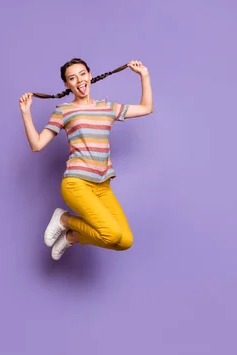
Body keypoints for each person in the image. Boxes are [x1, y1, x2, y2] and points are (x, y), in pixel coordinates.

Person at [19, 58, 153, 260]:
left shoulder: (107, 107)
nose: (79, 80)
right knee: (112, 234)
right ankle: (64, 219)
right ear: (67, 84)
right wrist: (26, 113)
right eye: (72, 78)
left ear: (89, 75)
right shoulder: (64, 111)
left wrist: (144, 74)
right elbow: (37, 145)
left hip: (103, 187)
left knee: (125, 241)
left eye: (82, 74)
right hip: (77, 183)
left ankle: (72, 236)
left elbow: (146, 108)